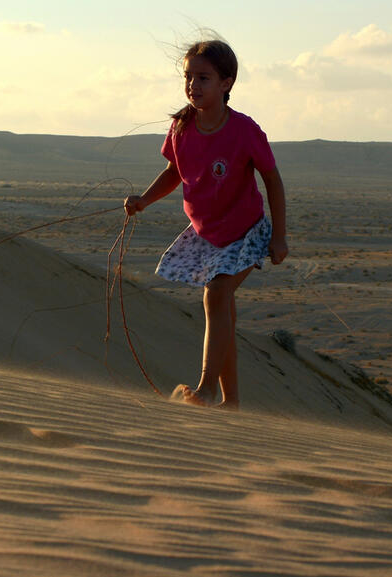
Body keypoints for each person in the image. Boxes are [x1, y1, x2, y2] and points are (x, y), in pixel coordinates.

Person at [124, 37, 288, 410]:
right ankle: (230, 401)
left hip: (245, 232)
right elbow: (173, 172)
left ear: (227, 83)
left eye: (204, 78)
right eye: (189, 78)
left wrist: (279, 237)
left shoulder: (244, 130)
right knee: (223, 310)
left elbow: (273, 180)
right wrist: (145, 200)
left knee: (215, 294)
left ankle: (206, 387)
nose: (193, 86)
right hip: (206, 234)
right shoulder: (182, 128)